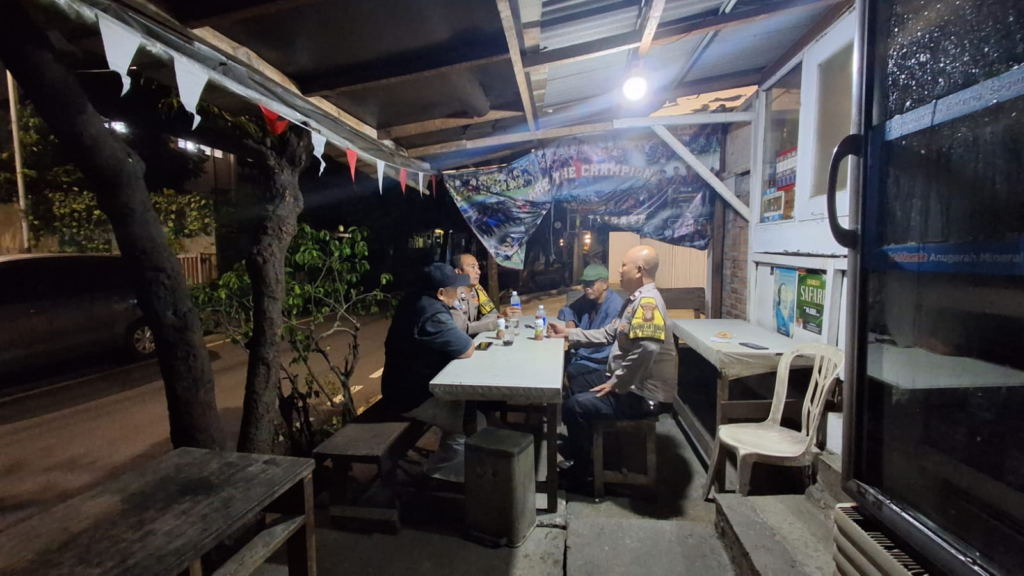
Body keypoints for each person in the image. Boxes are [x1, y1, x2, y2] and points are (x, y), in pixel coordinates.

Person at [548, 245, 677, 492]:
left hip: (643, 394)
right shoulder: (634, 300)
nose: (619, 270)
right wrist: (568, 333)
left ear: (639, 270)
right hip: (629, 383)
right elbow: (608, 333)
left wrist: (617, 382)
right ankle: (591, 450)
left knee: (574, 407)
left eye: (624, 265)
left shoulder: (647, 303)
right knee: (577, 382)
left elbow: (648, 348)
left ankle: (584, 474)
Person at [381, 263, 483, 483]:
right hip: (410, 398)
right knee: (471, 420)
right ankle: (441, 474)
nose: (459, 292)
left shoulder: (415, 300)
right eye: (455, 289)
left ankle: (447, 467)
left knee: (467, 410)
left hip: (402, 387)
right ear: (441, 293)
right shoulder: (432, 313)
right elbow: (466, 348)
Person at [556, 264, 624, 396]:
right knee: (556, 362)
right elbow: (567, 310)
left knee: (570, 370)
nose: (586, 288)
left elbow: (601, 345)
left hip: (600, 361)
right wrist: (571, 324)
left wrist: (574, 342)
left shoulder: (615, 308)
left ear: (605, 284)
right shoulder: (588, 300)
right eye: (584, 283)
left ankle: (569, 402)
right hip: (583, 354)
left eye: (591, 284)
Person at [451, 253, 500, 335]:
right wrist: (492, 323)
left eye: (478, 267)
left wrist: (499, 318)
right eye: (472, 267)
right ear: (458, 272)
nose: (478, 272)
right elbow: (462, 328)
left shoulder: (477, 289)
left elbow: (493, 313)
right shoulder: (451, 294)